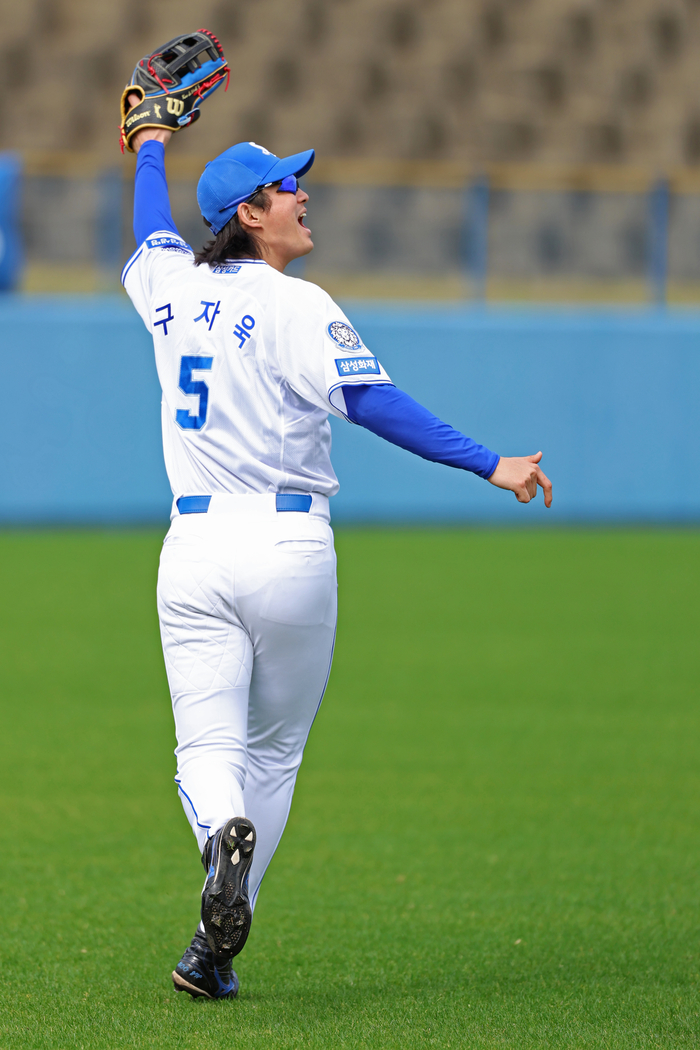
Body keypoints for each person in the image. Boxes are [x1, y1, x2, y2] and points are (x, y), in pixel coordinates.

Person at [120, 96, 553, 1001]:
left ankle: (218, 852)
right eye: (286, 187)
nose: (302, 195)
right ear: (250, 214)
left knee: (206, 748)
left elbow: (151, 227)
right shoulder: (296, 304)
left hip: (193, 546)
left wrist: (149, 143)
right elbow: (374, 404)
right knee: (274, 754)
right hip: (288, 546)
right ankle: (213, 947)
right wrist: (490, 463)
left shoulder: (171, 288)